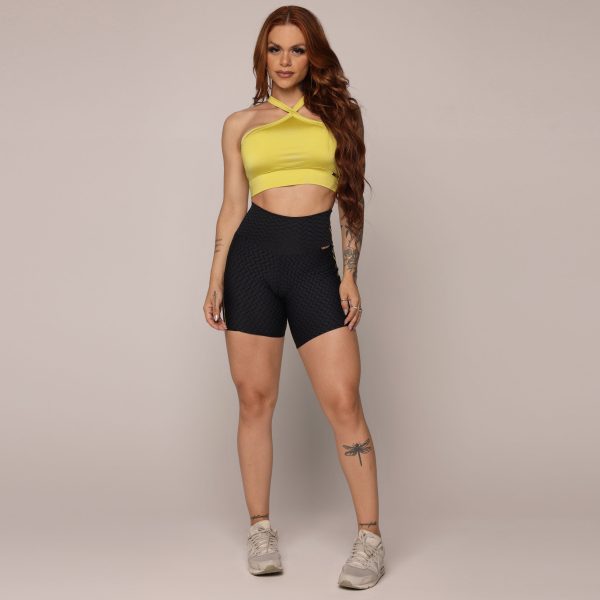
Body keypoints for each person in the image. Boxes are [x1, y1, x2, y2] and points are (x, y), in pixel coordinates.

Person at [203, 6, 384, 590]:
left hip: (314, 265)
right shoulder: (240, 123)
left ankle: (370, 537)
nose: (285, 61)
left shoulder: (339, 115)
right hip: (252, 263)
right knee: (254, 400)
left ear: (314, 56)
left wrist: (350, 273)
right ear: (263, 55)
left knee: (344, 401)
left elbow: (351, 201)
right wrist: (215, 275)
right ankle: (260, 529)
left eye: (297, 50)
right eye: (275, 49)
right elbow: (233, 205)